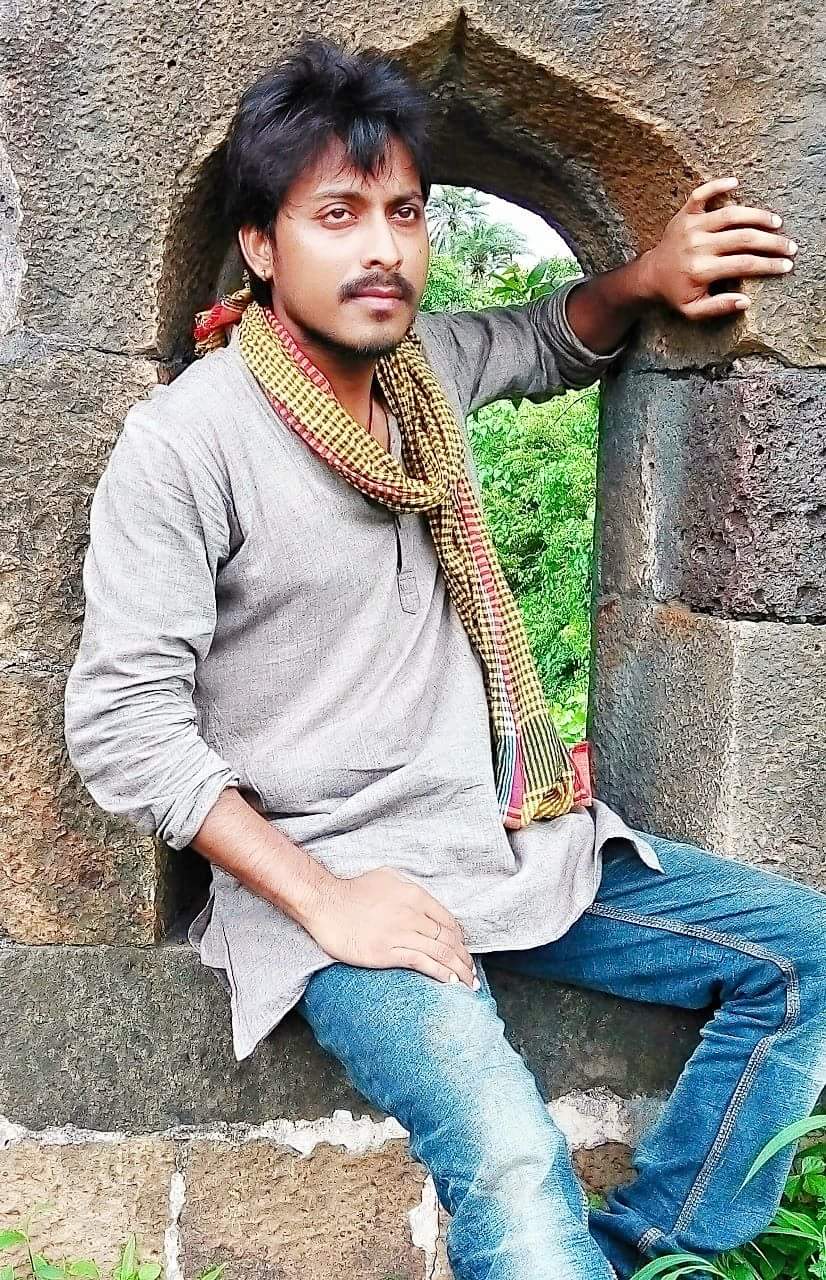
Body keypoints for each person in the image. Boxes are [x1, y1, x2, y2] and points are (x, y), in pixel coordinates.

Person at [62, 36, 826, 1280]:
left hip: (502, 840)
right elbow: (123, 726)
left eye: (405, 212)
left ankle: (654, 1252)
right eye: (337, 214)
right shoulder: (188, 442)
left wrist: (647, 274)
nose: (382, 248)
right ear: (260, 245)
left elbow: (553, 335)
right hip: (326, 884)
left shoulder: (425, 378)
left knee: (804, 953)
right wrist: (327, 899)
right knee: (512, 1158)